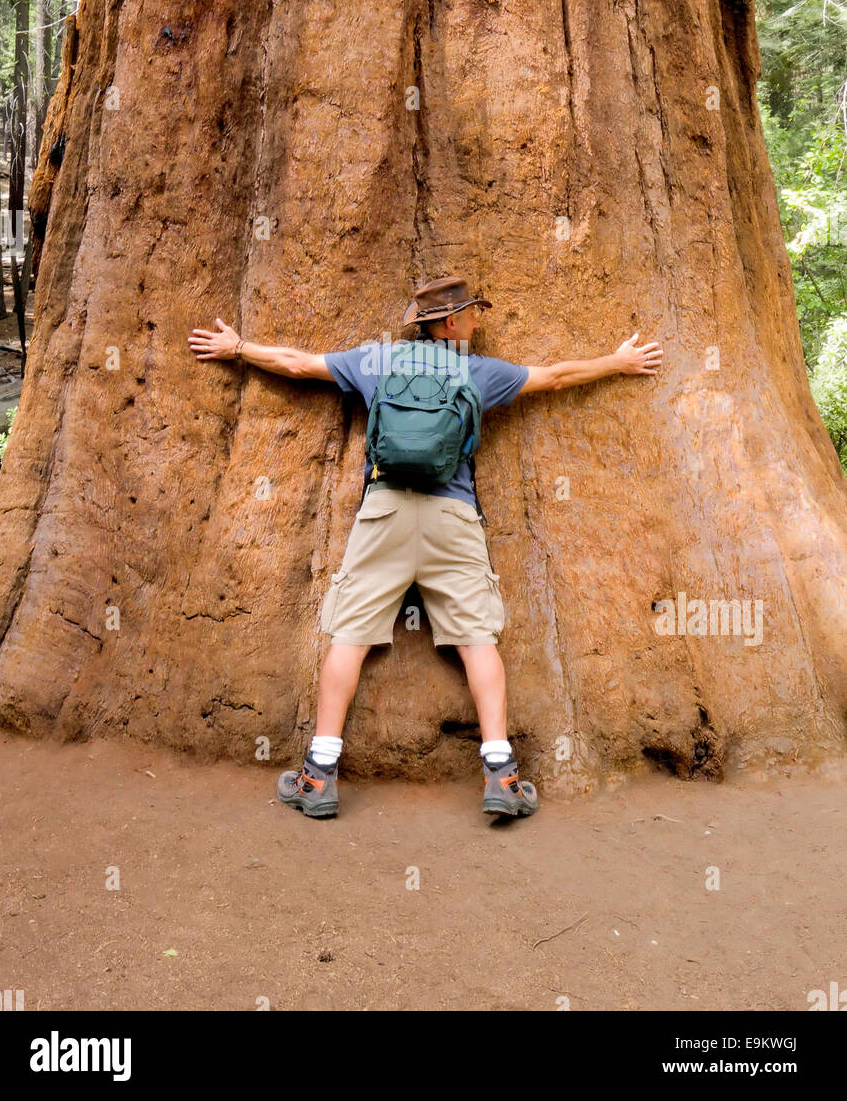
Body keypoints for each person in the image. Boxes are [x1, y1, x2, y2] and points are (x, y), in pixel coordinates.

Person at [188, 275, 662, 819]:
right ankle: (502, 776)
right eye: (475, 313)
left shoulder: (377, 361)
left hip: (385, 512)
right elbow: (556, 378)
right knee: (477, 639)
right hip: (452, 517)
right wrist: (617, 362)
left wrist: (238, 348)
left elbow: (297, 364)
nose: (480, 321)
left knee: (350, 634)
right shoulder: (478, 371)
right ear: (452, 323)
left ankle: (318, 777)